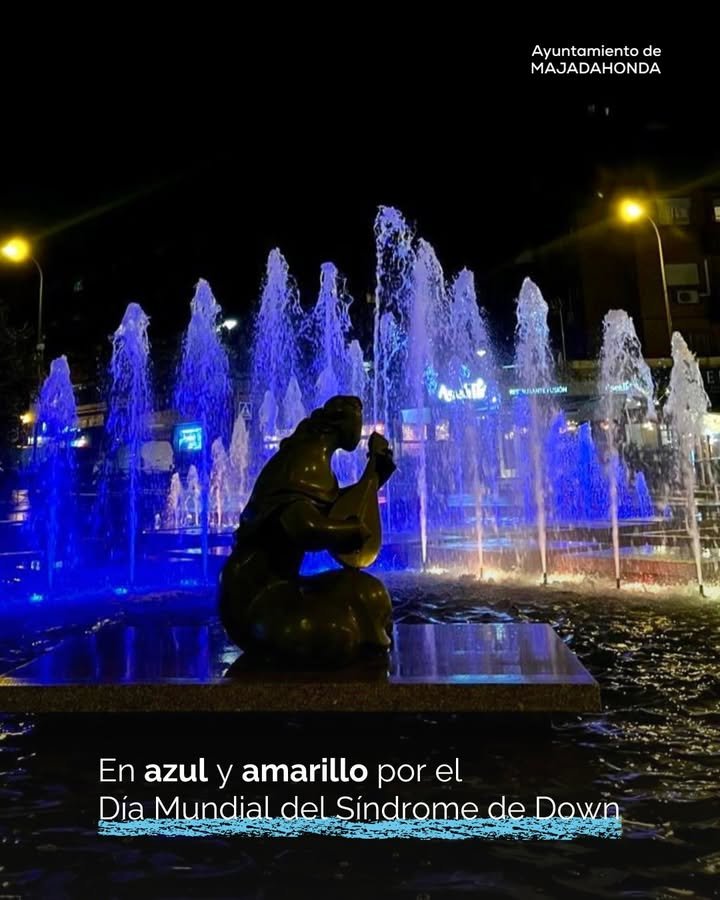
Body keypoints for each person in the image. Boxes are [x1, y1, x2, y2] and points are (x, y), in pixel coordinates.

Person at [219, 395, 395, 666]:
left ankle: (367, 644)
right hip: (252, 599)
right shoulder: (301, 463)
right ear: (340, 424)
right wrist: (350, 530)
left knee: (371, 596)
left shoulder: (317, 463)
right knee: (338, 634)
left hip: (287, 586)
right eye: (357, 425)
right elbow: (304, 528)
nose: (359, 434)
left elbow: (335, 508)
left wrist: (374, 477)